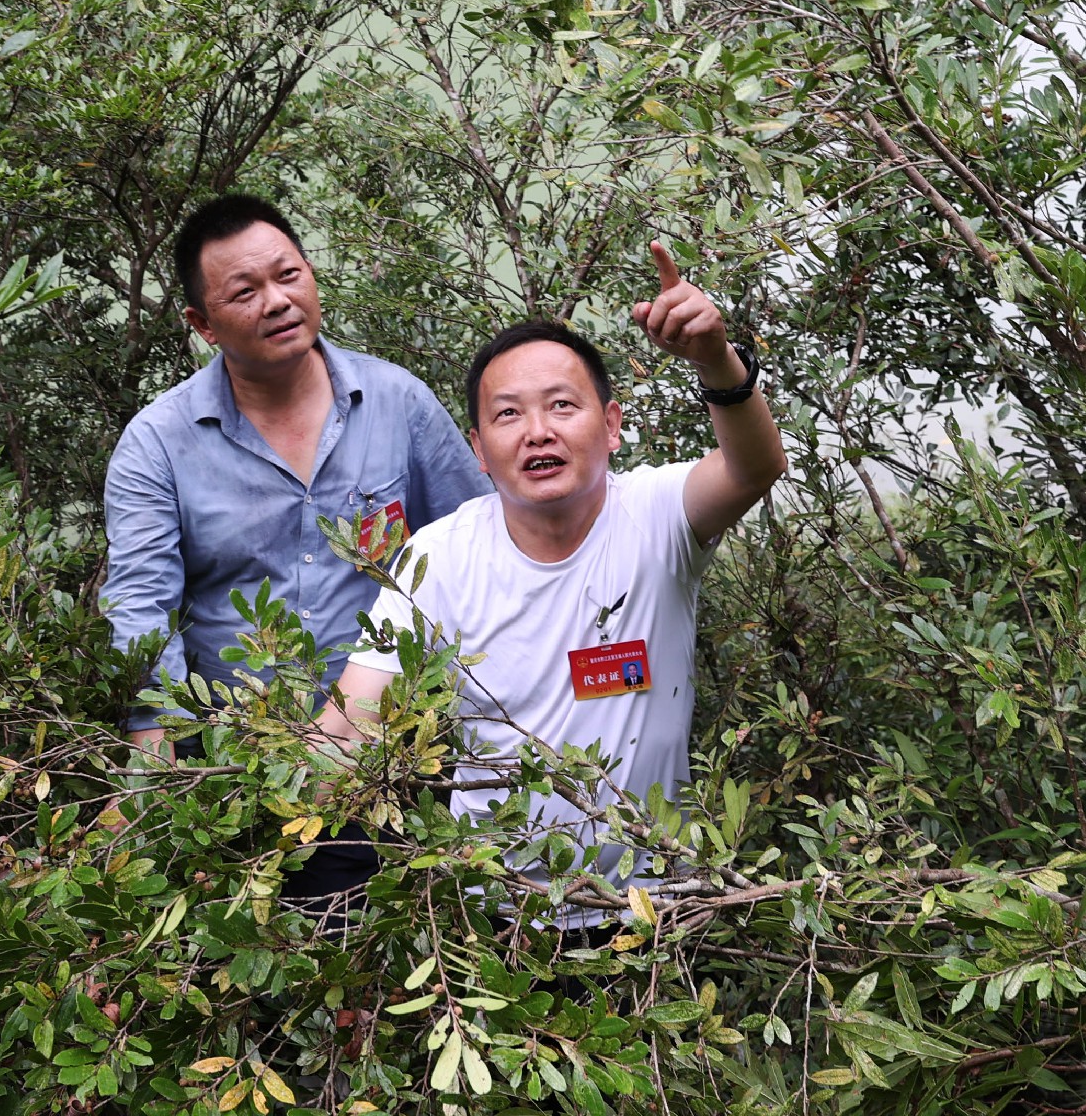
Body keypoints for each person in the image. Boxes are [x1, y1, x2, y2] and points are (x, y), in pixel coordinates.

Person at [318, 242, 786, 909]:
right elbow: (353, 722)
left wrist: (716, 359)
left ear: (612, 426)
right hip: (498, 917)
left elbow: (755, 467)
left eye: (563, 405)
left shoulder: (657, 516)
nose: (537, 431)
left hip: (653, 911)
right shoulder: (440, 557)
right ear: (479, 450)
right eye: (508, 414)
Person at [102, 193, 488, 800]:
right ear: (203, 325)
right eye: (244, 292)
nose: (278, 301)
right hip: (236, 764)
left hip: (397, 745)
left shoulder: (399, 403)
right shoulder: (158, 443)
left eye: (288, 275)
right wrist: (158, 769)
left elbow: (482, 544)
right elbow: (141, 605)